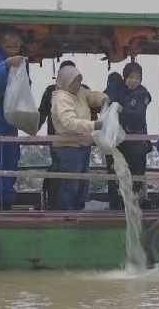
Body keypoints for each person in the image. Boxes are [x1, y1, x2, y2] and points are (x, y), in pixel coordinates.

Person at [0, 28, 28, 210]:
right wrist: (7, 64)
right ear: (2, 43)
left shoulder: (23, 61)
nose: (13, 50)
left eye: (16, 47)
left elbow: (26, 85)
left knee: (10, 161)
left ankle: (7, 201)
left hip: (11, 119)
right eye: (9, 47)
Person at [51, 64, 107, 210]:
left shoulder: (80, 93)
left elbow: (92, 96)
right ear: (65, 82)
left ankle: (78, 212)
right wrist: (92, 125)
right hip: (68, 147)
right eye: (74, 81)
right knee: (71, 184)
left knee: (82, 183)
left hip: (82, 145)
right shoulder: (61, 98)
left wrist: (104, 99)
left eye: (79, 81)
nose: (77, 85)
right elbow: (69, 122)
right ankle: (67, 216)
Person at [38, 60, 92, 210]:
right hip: (60, 143)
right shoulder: (52, 92)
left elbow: (94, 110)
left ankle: (76, 207)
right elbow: (42, 113)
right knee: (64, 176)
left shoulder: (83, 92)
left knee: (81, 175)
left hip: (83, 142)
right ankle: (62, 209)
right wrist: (32, 129)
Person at [104, 62, 153, 210]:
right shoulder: (118, 91)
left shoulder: (142, 94)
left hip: (136, 142)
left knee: (136, 173)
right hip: (119, 142)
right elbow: (107, 100)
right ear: (125, 77)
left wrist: (119, 110)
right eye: (131, 77)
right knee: (116, 172)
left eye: (137, 78)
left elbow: (137, 113)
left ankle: (135, 203)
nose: (134, 81)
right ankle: (116, 203)